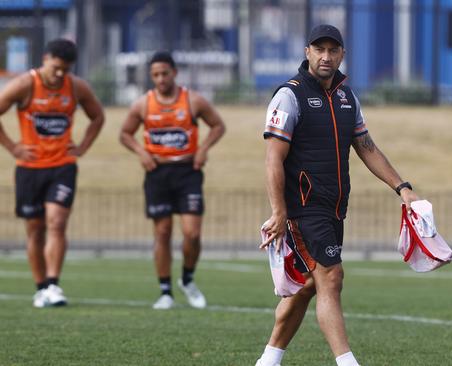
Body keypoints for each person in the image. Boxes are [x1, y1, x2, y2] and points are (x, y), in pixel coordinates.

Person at [256, 24, 418, 366]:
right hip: (304, 208)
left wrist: (402, 187)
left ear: (342, 54)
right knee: (331, 276)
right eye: (319, 49)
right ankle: (347, 362)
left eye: (333, 50)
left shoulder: (347, 96)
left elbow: (366, 147)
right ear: (307, 52)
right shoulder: (290, 95)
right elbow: (274, 159)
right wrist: (279, 211)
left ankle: (268, 360)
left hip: (334, 208)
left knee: (307, 286)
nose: (326, 56)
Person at [0, 38, 104, 308]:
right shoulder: (25, 85)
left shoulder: (77, 87)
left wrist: (81, 147)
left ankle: (54, 284)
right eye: (56, 67)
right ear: (45, 58)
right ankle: (40, 288)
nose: (59, 74)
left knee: (56, 222)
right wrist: (13, 147)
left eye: (65, 70)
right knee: (35, 229)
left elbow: (98, 117)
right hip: (30, 168)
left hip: (62, 165)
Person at [119, 51, 226, 310]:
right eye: (155, 74)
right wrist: (142, 152)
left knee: (192, 233)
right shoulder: (143, 104)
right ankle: (165, 291)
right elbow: (125, 133)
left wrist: (202, 149)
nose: (160, 79)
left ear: (174, 73)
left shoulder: (192, 101)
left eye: (164, 73)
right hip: (157, 173)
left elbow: (217, 126)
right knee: (162, 232)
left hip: (187, 172)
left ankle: (187, 279)